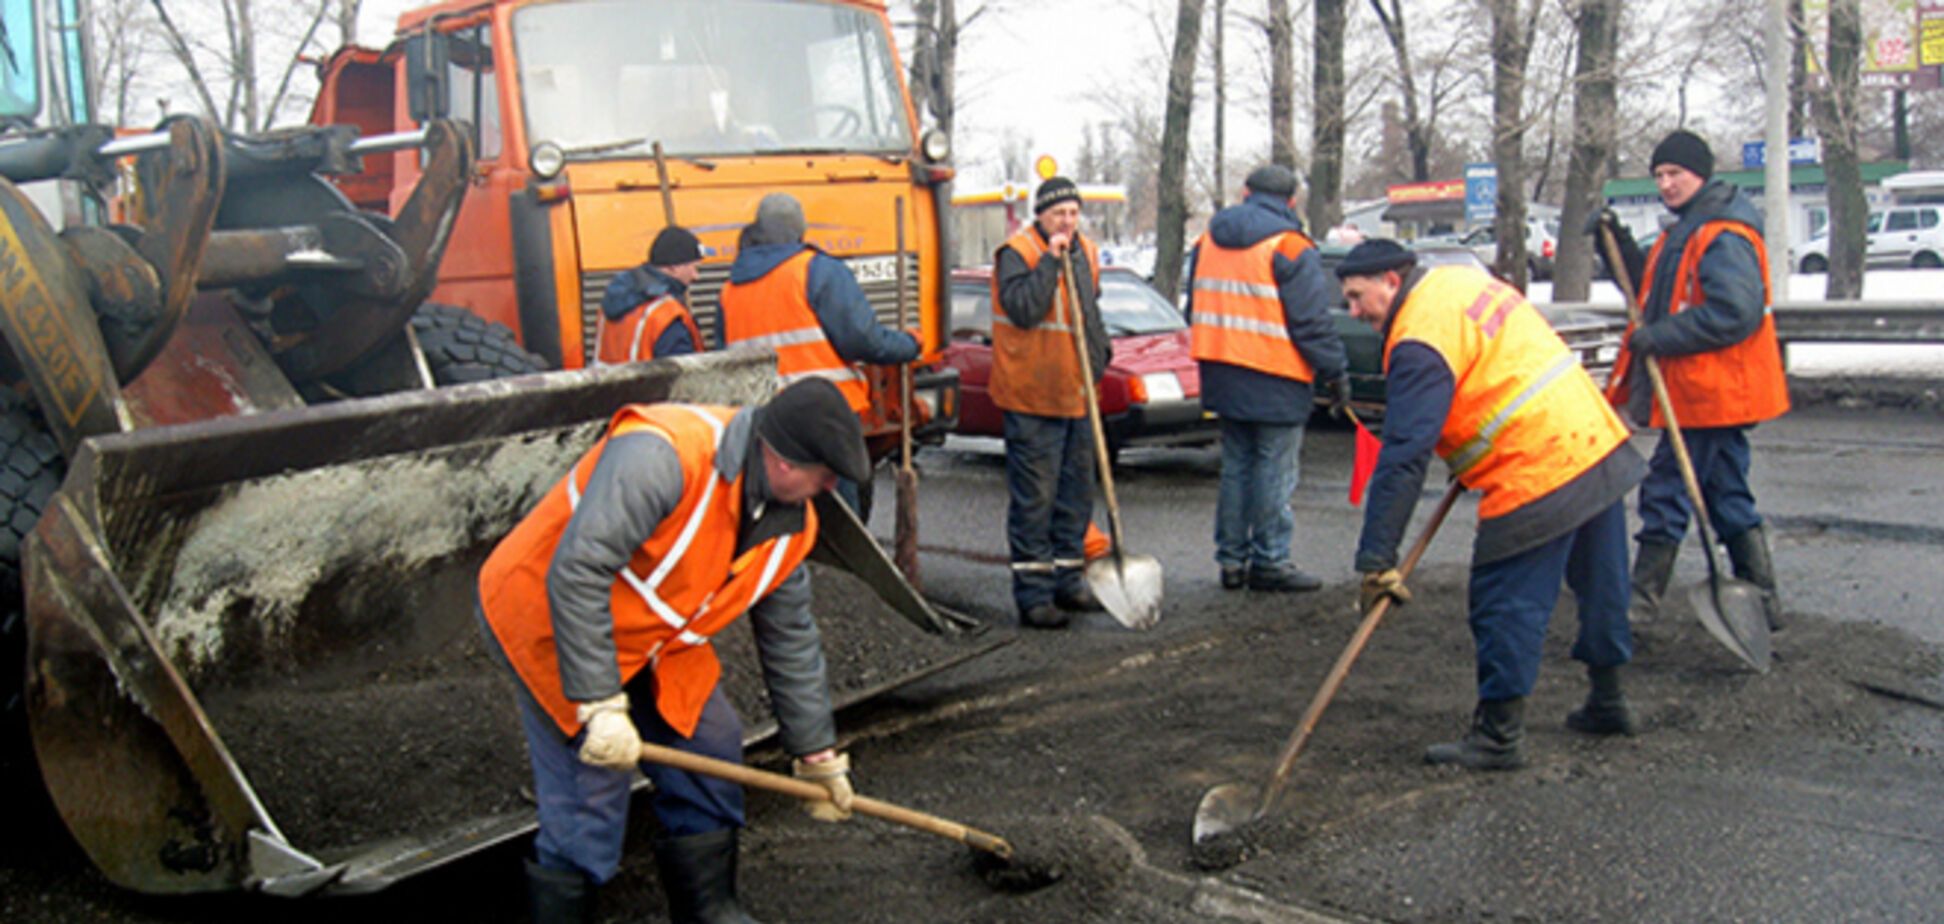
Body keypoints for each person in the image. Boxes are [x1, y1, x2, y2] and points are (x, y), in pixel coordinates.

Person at [477, 378, 867, 923]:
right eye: (824, 475)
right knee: (592, 790)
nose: (828, 488)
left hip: (655, 637)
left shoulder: (790, 526)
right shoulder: (661, 454)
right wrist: (598, 704)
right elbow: (579, 571)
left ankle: (710, 907)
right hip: (551, 617)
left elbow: (791, 637)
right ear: (781, 459)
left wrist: (816, 754)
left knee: (712, 746)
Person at [1336, 239, 1647, 770]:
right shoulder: (1460, 282)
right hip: (1595, 440)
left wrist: (1376, 558)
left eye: (1358, 297)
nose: (1354, 312)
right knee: (1603, 584)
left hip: (1539, 464)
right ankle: (1609, 700)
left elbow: (1405, 454)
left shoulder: (1417, 337)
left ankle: (1499, 737)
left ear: (1392, 279)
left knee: (1505, 601)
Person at [1596, 129, 1791, 630]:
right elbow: (1650, 290)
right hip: (1702, 393)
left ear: (1699, 174)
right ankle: (1765, 601)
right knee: (1725, 493)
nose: (1665, 183)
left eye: (1674, 173)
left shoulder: (1722, 234)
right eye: (1659, 174)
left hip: (1714, 391)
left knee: (1666, 490)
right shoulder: (1683, 230)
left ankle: (1639, 607)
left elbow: (1735, 313)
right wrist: (1614, 244)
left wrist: (1660, 338)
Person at [1185, 165, 1351, 593]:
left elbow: (1194, 309)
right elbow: (1311, 322)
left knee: (1237, 469)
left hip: (1222, 371)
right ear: (1291, 201)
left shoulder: (1207, 242)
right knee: (1275, 473)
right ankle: (1271, 560)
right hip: (1276, 375)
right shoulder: (1291, 247)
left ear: (1245, 193)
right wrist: (1335, 372)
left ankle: (1233, 560)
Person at [720, 193, 921, 513]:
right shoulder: (816, 270)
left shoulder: (730, 289)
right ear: (800, 231)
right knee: (840, 518)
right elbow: (863, 340)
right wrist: (910, 345)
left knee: (780, 517)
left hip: (763, 420)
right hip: (825, 415)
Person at [989, 176, 1113, 630]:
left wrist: (1101, 358)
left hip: (1076, 392)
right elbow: (1024, 308)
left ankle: (1069, 581)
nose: (1068, 221)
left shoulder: (1089, 253)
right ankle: (1034, 594)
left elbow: (1089, 311)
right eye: (1059, 213)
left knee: (1075, 497)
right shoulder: (1017, 254)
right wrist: (1049, 261)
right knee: (1034, 501)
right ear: (1039, 214)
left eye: (1074, 213)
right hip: (1031, 395)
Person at [596, 225, 706, 364]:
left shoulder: (609, 306)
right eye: (694, 268)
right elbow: (680, 377)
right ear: (673, 267)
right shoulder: (666, 316)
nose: (696, 277)